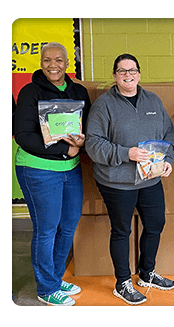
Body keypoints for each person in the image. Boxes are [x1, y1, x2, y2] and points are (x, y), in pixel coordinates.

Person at [85, 53, 174, 305]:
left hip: (150, 179)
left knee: (155, 225)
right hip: (116, 182)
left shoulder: (153, 101)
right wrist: (127, 154)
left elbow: (168, 131)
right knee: (122, 231)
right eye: (122, 71)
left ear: (139, 73)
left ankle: (146, 274)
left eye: (132, 70)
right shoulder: (104, 105)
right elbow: (93, 144)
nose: (128, 75)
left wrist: (168, 159)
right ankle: (122, 282)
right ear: (114, 75)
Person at [14, 42, 91, 306]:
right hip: (37, 169)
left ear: (67, 62)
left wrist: (81, 144)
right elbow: (24, 136)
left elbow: (87, 127)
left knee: (68, 226)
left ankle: (55, 278)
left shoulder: (78, 92)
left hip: (70, 169)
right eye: (47, 60)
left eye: (58, 60)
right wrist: (64, 151)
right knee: (46, 230)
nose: (53, 65)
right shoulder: (30, 92)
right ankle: (46, 288)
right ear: (41, 62)